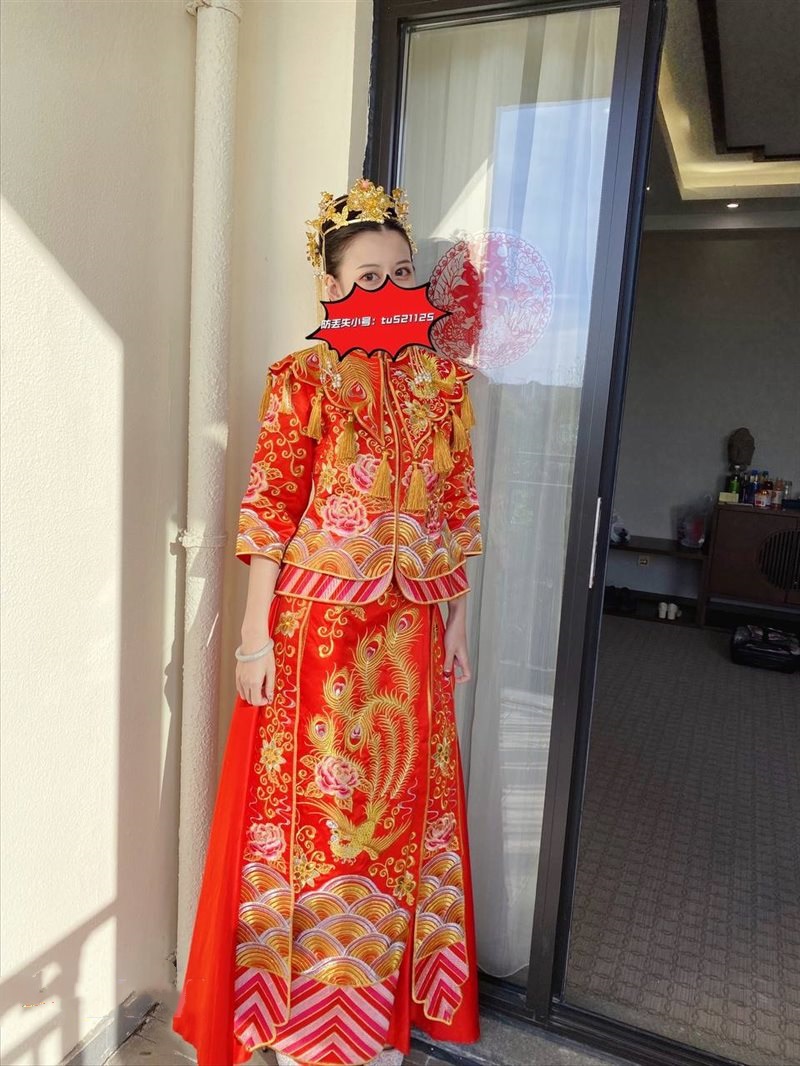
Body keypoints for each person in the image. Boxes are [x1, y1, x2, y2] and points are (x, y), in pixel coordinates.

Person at [172, 177, 483, 1066]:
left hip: (413, 632)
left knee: (398, 821)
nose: (387, 286)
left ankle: (374, 1015)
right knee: (310, 821)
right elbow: (269, 511)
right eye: (367, 274)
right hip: (316, 635)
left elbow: (456, 510)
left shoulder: (443, 385)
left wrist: (457, 622)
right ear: (332, 286)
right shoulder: (303, 378)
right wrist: (253, 638)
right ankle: (296, 1018)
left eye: (401, 271)